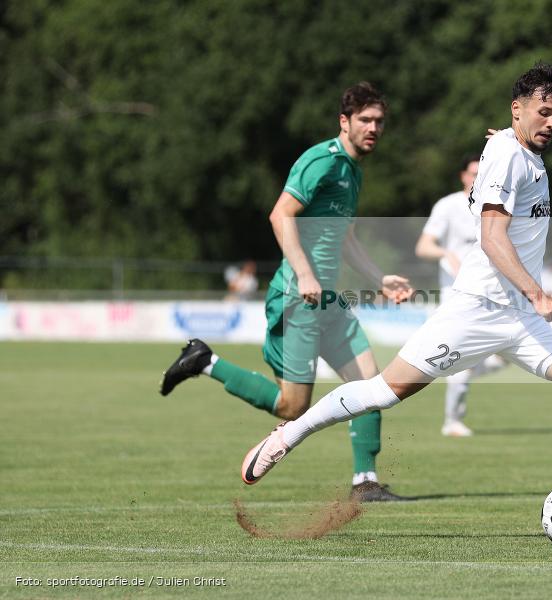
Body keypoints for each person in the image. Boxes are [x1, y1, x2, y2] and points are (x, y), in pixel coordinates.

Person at [240, 62, 552, 531]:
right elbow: (493, 238)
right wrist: (537, 293)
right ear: (518, 109)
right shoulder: (508, 153)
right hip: (476, 310)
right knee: (384, 392)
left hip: (522, 319)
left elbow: (504, 161)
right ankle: (288, 435)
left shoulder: (516, 151)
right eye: (543, 112)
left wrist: (504, 143)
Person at [159, 82, 413, 501]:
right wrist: (305, 273)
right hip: (298, 298)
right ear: (344, 121)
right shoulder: (322, 161)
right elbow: (280, 214)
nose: (373, 128)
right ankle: (205, 361)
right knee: (292, 407)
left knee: (372, 385)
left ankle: (364, 483)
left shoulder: (352, 172)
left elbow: (346, 238)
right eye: (365, 120)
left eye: (379, 121)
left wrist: (379, 278)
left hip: (328, 302)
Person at [415, 154, 505, 437]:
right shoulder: (449, 205)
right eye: (473, 173)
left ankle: (452, 374)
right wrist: (446, 253)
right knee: (460, 360)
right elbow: (423, 246)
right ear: (463, 176)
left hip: (493, 295)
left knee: (501, 358)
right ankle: (452, 421)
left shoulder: (497, 206)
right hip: (458, 298)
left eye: (483, 173)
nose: (477, 178)